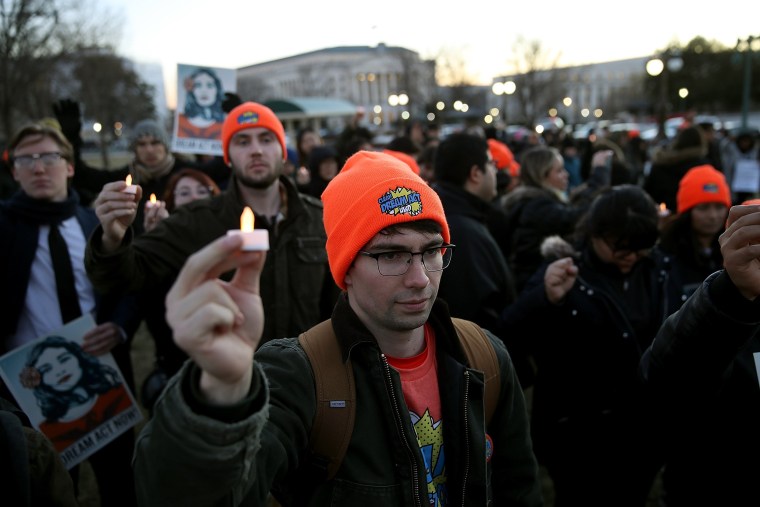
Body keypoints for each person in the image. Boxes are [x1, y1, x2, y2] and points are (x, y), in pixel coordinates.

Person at [133, 150, 543, 506]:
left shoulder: (483, 356)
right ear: (346, 269)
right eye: (391, 254)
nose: (420, 277)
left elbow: (518, 490)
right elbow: (192, 495)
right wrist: (219, 393)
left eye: (432, 250)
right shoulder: (298, 376)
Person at [85, 101, 337, 350]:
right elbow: (125, 275)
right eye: (242, 142)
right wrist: (112, 238)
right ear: (227, 157)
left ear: (283, 151)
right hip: (232, 377)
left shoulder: (319, 217)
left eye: (266, 139)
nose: (256, 150)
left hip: (310, 378)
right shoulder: (196, 220)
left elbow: (340, 307)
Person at [502, 184, 682, 506]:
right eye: (619, 248)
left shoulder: (661, 270)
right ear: (594, 234)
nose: (630, 258)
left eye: (639, 249)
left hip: (644, 429)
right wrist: (543, 298)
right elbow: (508, 337)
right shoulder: (564, 272)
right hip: (578, 434)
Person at [0, 123, 140, 506]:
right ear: (14, 171)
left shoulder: (93, 221)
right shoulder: (5, 225)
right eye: (26, 160)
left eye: (49, 157)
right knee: (51, 489)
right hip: (29, 388)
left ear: (70, 166)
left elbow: (128, 286)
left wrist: (118, 327)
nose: (39, 167)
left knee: (120, 482)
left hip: (99, 374)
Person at [639, 203, 760, 506]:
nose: (709, 215)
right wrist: (734, 294)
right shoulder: (668, 265)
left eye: (716, 206)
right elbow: (662, 381)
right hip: (712, 476)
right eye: (702, 207)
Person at [432, 132, 516, 341]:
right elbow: (479, 330)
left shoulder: (454, 216)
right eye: (492, 163)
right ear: (476, 173)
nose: (495, 171)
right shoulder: (462, 232)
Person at [497, 146, 611, 295]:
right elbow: (576, 217)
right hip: (534, 287)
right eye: (559, 171)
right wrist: (600, 172)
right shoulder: (537, 207)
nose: (566, 175)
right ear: (542, 176)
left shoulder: (535, 202)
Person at [20, 336, 132, 453]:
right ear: (39, 380)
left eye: (64, 359)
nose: (60, 371)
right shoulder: (47, 431)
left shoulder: (117, 396)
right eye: (46, 369)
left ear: (79, 357)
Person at [656, 164, 730, 304]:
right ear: (687, 213)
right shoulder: (665, 259)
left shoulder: (732, 253)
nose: (713, 216)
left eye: (719, 207)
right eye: (703, 208)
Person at [176, 67, 226, 140]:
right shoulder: (181, 122)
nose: (204, 91)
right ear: (191, 90)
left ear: (217, 89)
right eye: (198, 85)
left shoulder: (225, 123)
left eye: (210, 85)